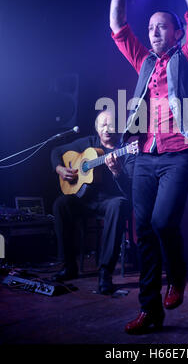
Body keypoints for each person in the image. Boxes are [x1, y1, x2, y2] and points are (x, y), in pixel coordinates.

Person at [109, 0, 188, 333]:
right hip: (144, 155)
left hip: (180, 152)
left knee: (164, 221)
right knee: (143, 229)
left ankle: (178, 274)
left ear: (177, 31)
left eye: (161, 26)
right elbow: (117, 25)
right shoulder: (145, 61)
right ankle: (150, 310)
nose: (153, 33)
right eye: (150, 28)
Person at [51, 110, 134, 294]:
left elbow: (130, 189)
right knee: (61, 204)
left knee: (118, 205)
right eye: (102, 125)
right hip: (85, 198)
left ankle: (105, 273)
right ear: (96, 128)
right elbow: (56, 151)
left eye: (111, 124)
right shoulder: (88, 143)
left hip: (111, 201)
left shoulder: (126, 151)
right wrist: (60, 169)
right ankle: (68, 266)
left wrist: (117, 172)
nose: (107, 129)